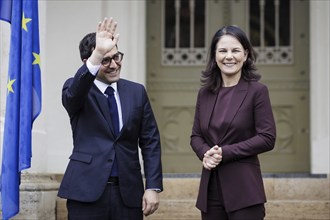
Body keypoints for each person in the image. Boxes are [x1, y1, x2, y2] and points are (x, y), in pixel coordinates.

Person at [58, 17, 163, 220]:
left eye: (117, 57)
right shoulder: (77, 88)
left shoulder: (136, 91)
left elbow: (150, 141)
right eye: (105, 60)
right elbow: (72, 97)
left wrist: (152, 186)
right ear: (90, 62)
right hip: (86, 191)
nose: (114, 65)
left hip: (129, 192)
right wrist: (97, 54)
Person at [190, 25, 276, 220]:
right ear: (214, 56)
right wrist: (205, 153)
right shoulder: (204, 94)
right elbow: (196, 135)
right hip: (210, 190)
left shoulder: (257, 91)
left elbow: (267, 138)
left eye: (235, 50)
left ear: (245, 55)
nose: (229, 56)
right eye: (223, 51)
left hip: (244, 190)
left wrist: (224, 153)